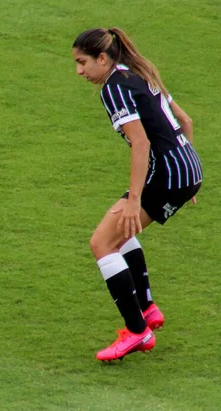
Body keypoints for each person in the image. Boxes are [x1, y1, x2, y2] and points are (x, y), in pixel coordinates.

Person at [72, 27, 202, 362]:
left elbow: (141, 143)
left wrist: (134, 199)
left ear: (102, 58)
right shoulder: (141, 72)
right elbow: (185, 121)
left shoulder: (114, 88)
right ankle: (147, 308)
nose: (79, 71)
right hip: (187, 169)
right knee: (120, 231)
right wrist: (187, 179)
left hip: (169, 174)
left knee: (102, 243)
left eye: (82, 62)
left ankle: (137, 331)